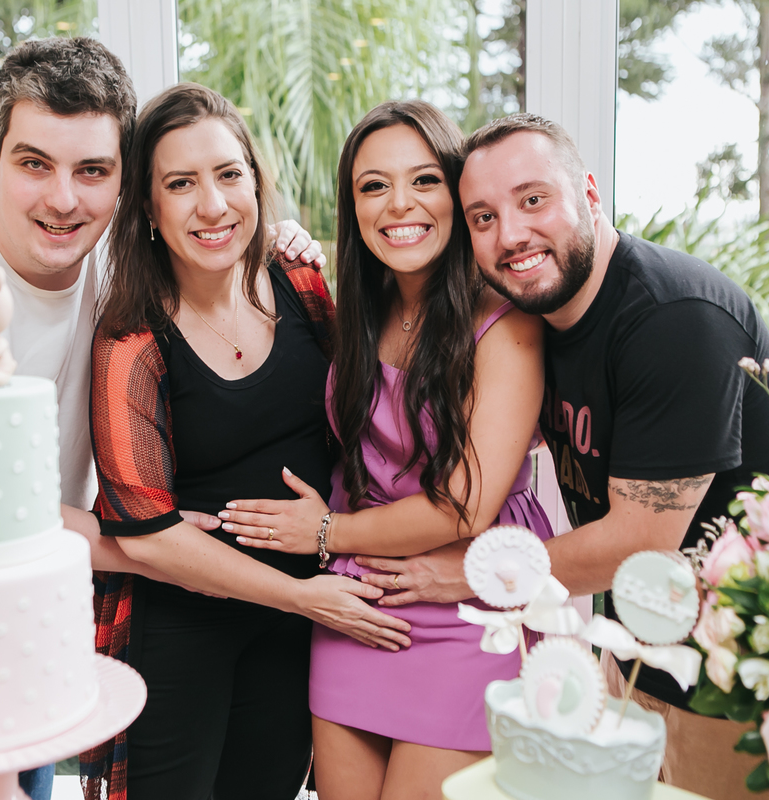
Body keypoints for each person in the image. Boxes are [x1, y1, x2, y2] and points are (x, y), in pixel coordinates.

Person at [0, 37, 321, 798]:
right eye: (35, 164)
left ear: (123, 179)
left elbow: (215, 228)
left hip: (44, 543)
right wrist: (165, 552)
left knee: (29, 749)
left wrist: (279, 239)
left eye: (93, 171)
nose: (64, 199)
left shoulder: (117, 242)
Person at [350, 112, 769, 800]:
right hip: (638, 654)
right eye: (484, 217)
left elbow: (639, 544)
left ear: (590, 193)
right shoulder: (540, 317)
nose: (511, 235)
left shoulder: (673, 318)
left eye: (534, 199)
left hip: (746, 675)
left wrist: (468, 575)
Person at [83, 83, 414, 800]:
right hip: (185, 625)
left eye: (229, 174)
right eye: (181, 184)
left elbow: (365, 415)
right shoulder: (131, 341)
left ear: (256, 183)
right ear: (147, 208)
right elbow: (148, 535)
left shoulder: (301, 283)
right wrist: (301, 597)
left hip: (299, 624)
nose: (213, 205)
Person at [216, 100, 551, 800]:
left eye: (425, 180)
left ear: (458, 194)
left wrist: (325, 532)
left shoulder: (506, 322)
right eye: (374, 186)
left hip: (469, 596)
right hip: (359, 600)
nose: (400, 204)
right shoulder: (359, 311)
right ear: (354, 207)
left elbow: (463, 507)